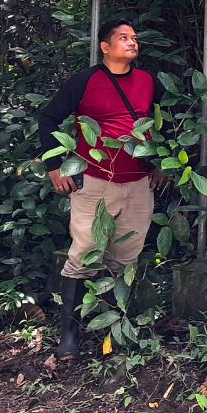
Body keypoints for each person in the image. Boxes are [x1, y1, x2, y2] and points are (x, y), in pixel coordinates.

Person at [38, 19, 168, 359]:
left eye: (135, 38)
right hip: (95, 180)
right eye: (123, 38)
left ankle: (113, 329)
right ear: (105, 47)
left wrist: (160, 164)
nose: (132, 43)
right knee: (83, 253)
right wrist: (55, 167)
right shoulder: (86, 81)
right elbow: (48, 119)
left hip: (138, 183)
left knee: (126, 254)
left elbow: (165, 121)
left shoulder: (150, 82)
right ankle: (69, 334)